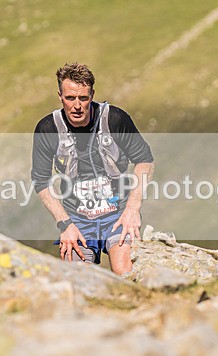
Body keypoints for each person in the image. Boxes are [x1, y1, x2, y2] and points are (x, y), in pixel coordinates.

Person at [31, 62, 154, 275]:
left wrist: (132, 209)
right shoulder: (48, 129)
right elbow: (41, 180)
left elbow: (145, 160)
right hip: (76, 220)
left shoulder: (114, 119)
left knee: (125, 272)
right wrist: (65, 225)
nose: (77, 105)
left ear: (92, 95)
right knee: (79, 280)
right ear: (60, 96)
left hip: (118, 214)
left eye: (83, 98)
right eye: (70, 98)